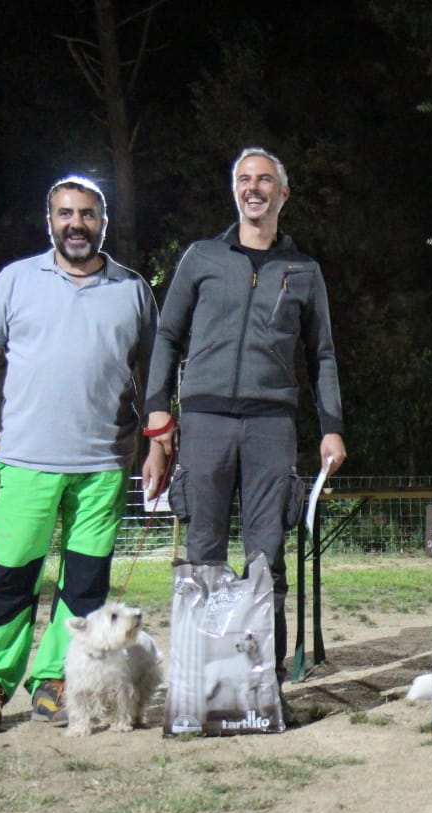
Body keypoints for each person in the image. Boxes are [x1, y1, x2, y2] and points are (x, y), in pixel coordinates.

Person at [0, 176, 160, 735]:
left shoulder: (132, 289)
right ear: (50, 221)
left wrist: (156, 441)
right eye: (65, 214)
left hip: (104, 466)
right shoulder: (16, 281)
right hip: (27, 460)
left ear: (102, 222)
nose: (76, 224)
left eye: (87, 214)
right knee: (12, 577)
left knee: (84, 588)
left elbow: (153, 376)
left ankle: (54, 684)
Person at [142, 147, 346, 696]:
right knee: (203, 554)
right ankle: (202, 678)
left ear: (283, 193)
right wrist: (157, 410)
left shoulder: (303, 271)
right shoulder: (201, 258)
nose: (253, 188)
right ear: (234, 190)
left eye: (264, 180)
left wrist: (332, 426)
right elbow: (166, 335)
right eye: (243, 179)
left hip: (270, 426)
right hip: (204, 422)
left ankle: (264, 680)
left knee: (266, 557)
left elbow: (321, 354)